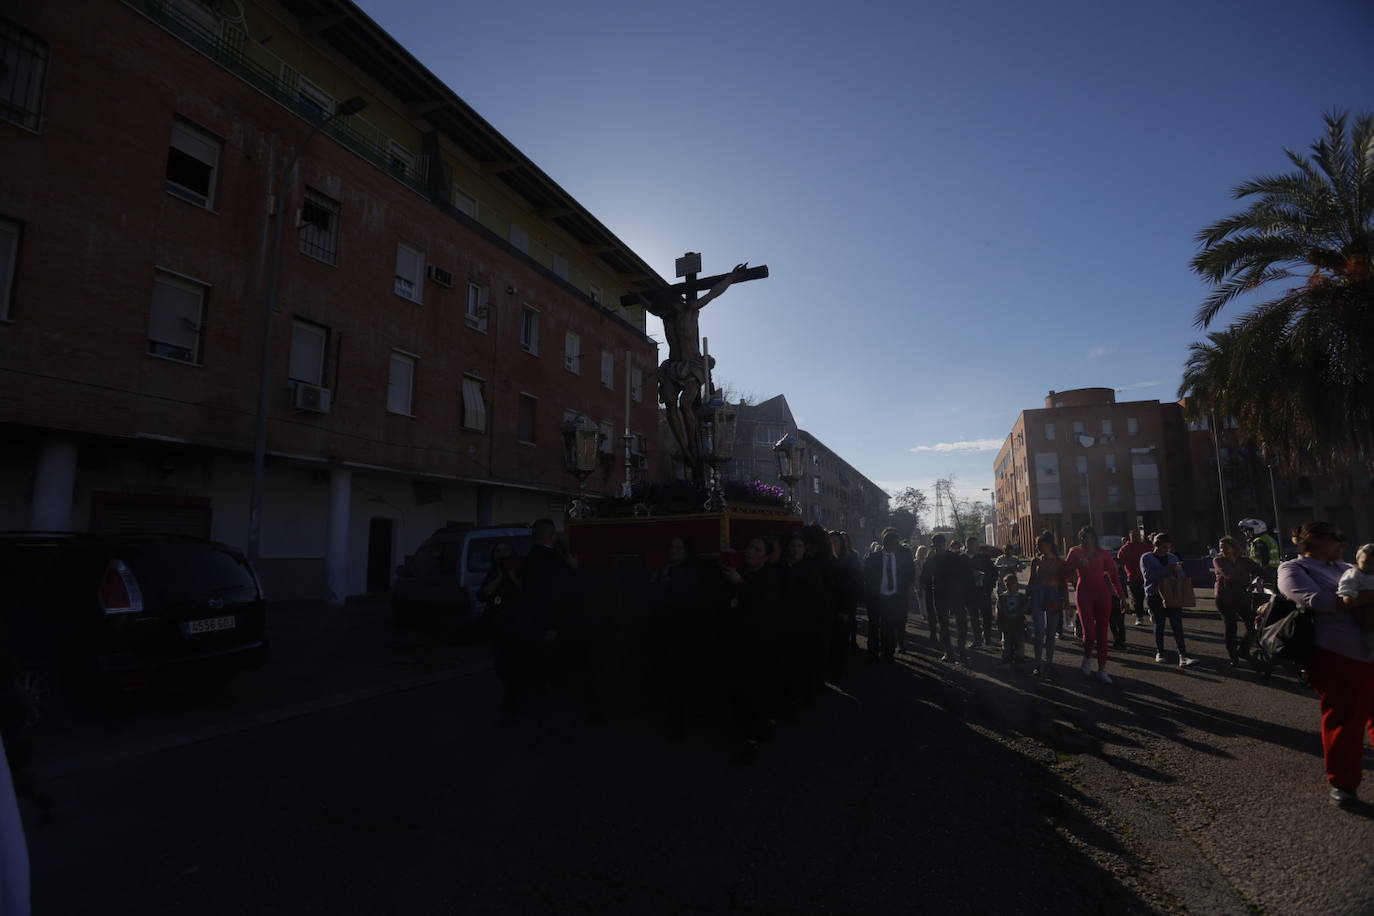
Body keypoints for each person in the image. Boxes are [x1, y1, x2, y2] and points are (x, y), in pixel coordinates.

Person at [1278, 522, 1374, 808]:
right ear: (1312, 540)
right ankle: (1344, 784)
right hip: (1337, 653)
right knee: (1345, 720)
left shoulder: (1345, 565)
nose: (1342, 543)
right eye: (1336, 538)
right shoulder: (1294, 569)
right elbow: (1318, 601)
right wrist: (1362, 599)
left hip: (1369, 650)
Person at [720, 536, 778, 757]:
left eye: (757, 549)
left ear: (765, 555)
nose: (750, 552)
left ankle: (754, 738)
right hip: (739, 642)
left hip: (759, 644)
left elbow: (763, 607)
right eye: (749, 548)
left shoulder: (768, 577)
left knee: (756, 691)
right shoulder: (742, 573)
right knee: (740, 689)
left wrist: (741, 586)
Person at [648, 536, 702, 730]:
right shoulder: (666, 571)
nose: (673, 551)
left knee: (679, 679)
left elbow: (681, 601)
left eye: (678, 548)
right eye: (672, 547)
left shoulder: (687, 574)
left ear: (686, 552)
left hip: (681, 634)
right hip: (665, 633)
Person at [1064, 526, 1124, 683]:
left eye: (1090, 537)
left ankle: (1102, 669)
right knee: (1089, 633)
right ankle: (1087, 656)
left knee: (1102, 633)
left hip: (1102, 595)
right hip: (1084, 595)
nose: (1087, 540)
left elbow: (1114, 575)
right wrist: (1076, 566)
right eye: (1084, 537)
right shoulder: (1075, 552)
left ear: (1095, 538)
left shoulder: (1103, 553)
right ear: (1081, 538)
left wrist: (1122, 597)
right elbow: (1065, 573)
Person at [484, 539, 529, 714]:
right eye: (498, 551)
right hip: (498, 625)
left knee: (515, 662)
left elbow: (526, 592)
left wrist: (512, 576)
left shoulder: (519, 570)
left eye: (505, 551)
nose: (502, 554)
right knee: (500, 663)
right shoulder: (492, 572)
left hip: (516, 624)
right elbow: (485, 593)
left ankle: (514, 698)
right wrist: (499, 578)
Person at [1141, 532, 1194, 668]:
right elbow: (1149, 576)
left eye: (1169, 547)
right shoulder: (1146, 558)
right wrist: (1168, 569)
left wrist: (1177, 571)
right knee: (1159, 625)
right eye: (1164, 547)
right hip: (1155, 595)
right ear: (1156, 546)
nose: (1167, 550)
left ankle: (1183, 655)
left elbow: (1181, 574)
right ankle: (1160, 652)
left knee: (1177, 625)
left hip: (1172, 593)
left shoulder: (1172, 557)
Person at [919, 533, 972, 663]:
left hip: (955, 594)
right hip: (940, 594)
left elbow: (964, 572)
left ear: (944, 543)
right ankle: (948, 651)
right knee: (944, 624)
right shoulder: (931, 559)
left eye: (941, 543)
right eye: (937, 544)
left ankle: (961, 649)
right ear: (934, 545)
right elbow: (924, 577)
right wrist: (922, 588)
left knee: (962, 621)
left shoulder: (954, 557)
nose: (940, 546)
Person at [863, 531, 914, 662]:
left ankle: (888, 652)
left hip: (894, 597)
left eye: (897, 544)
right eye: (893, 543)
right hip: (877, 597)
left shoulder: (901, 558)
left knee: (890, 626)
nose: (896, 546)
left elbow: (908, 574)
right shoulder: (873, 557)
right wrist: (872, 591)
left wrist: (906, 589)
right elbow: (866, 576)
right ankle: (872, 652)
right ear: (886, 543)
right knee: (874, 625)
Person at [1212, 536, 1261, 667]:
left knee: (1253, 626)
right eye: (1221, 547)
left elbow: (1260, 571)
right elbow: (1227, 574)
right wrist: (1247, 583)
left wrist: (1269, 579)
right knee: (1231, 627)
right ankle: (1234, 657)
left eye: (1225, 547)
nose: (1222, 550)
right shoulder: (1218, 560)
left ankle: (1243, 651)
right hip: (1224, 598)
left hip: (1241, 597)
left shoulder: (1244, 561)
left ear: (1234, 548)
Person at [1027, 532, 1068, 679]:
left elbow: (1064, 583)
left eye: (1041, 544)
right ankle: (1038, 664)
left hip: (1053, 596)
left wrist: (1067, 603)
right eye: (1037, 544)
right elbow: (1031, 581)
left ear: (1049, 544)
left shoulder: (1059, 562)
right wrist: (1027, 599)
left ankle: (1049, 664)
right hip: (1037, 595)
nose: (1038, 547)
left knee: (1051, 633)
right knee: (1039, 630)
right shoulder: (1035, 561)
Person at [1337, 544, 1374, 660]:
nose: (1371, 567)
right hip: (1364, 606)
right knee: (1369, 634)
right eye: (1366, 563)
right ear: (1358, 561)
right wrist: (1348, 595)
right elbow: (1346, 585)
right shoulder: (1355, 573)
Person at [965, 535, 998, 649]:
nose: (976, 547)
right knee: (973, 616)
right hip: (969, 592)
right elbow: (958, 575)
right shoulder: (962, 559)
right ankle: (977, 639)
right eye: (973, 545)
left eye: (976, 545)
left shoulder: (983, 558)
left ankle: (987, 636)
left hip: (983, 591)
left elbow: (994, 572)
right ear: (967, 545)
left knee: (987, 614)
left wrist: (989, 585)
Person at [1117, 528, 1152, 627]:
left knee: (1150, 597)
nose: (1136, 537)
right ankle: (1139, 617)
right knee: (1137, 598)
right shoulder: (1125, 548)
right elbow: (1120, 561)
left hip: (1147, 577)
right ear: (1130, 536)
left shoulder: (1146, 547)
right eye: (1134, 535)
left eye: (1138, 535)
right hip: (1133, 577)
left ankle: (1152, 613)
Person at [997, 573, 1028, 668]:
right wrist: (999, 622)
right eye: (1008, 584)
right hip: (1007, 624)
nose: (1010, 586)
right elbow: (999, 610)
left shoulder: (1021, 597)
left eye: (1012, 584)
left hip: (1018, 623)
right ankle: (1007, 659)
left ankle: (1019, 659)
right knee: (1007, 643)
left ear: (1017, 584)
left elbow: (1025, 609)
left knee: (1019, 642)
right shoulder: (1002, 597)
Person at [1241, 519, 1281, 583]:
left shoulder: (1259, 541)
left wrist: (1259, 572)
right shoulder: (1269, 538)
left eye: (1246, 530)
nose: (1245, 533)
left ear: (1255, 530)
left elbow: (1265, 558)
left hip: (1265, 571)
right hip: (1274, 570)